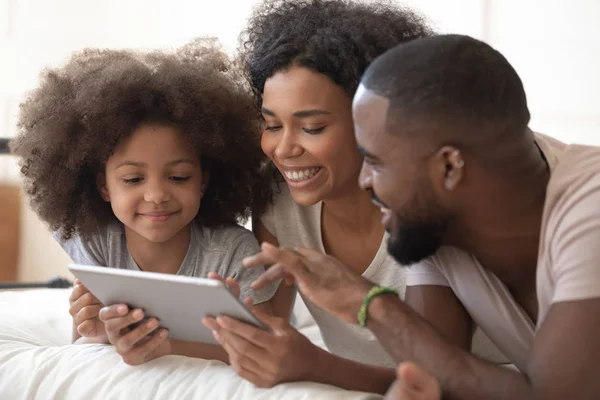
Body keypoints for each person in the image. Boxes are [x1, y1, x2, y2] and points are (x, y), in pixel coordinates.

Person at [243, 34, 600, 399]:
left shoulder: (590, 208)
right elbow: (434, 379)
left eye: (377, 162)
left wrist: (372, 304)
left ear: (448, 167)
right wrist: (316, 363)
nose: (365, 181)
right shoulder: (436, 219)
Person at [203, 0, 505, 394]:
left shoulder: (428, 202)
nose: (283, 148)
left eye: (311, 127)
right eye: (272, 124)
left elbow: (438, 384)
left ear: (377, 122)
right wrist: (226, 322)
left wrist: (316, 366)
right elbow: (273, 330)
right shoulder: (277, 202)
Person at [10, 38, 279, 366]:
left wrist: (168, 347)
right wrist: (95, 331)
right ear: (103, 185)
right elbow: (86, 345)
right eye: (133, 180)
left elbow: (266, 346)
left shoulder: (235, 254)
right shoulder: (96, 243)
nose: (156, 195)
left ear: (204, 180)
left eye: (178, 177)